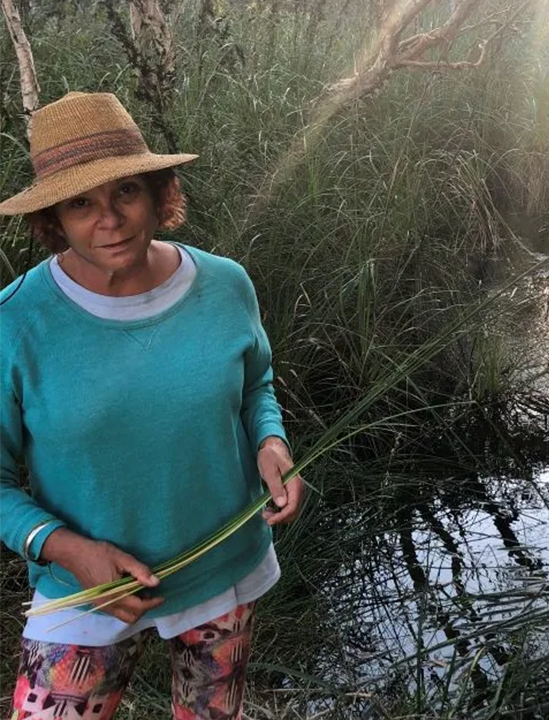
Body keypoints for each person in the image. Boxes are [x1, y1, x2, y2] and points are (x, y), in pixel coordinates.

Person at [0, 91, 304, 720]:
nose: (107, 219)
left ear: (159, 193)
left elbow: (255, 384)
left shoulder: (225, 285)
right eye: (81, 202)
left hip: (224, 572)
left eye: (127, 192)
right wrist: (66, 550)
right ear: (53, 217)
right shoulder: (16, 323)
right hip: (82, 595)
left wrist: (270, 444)